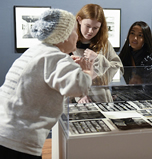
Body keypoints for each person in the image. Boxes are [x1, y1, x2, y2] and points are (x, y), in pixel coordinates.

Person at [0, 9, 94, 158]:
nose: (78, 36)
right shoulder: (54, 57)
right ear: (63, 36)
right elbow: (78, 87)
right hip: (19, 141)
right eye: (74, 32)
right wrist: (87, 71)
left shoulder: (35, 51)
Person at [72, 4, 123, 103]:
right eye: (87, 26)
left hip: (101, 100)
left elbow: (119, 69)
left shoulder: (104, 44)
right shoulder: (69, 43)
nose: (90, 31)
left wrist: (98, 59)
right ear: (79, 20)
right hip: (74, 103)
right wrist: (80, 95)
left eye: (95, 28)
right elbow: (61, 75)